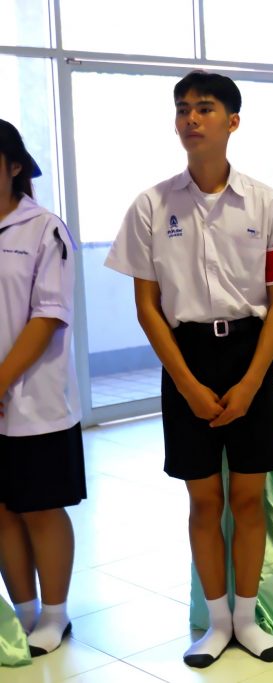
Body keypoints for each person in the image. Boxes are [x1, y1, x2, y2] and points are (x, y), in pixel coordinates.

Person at [105, 71, 273, 668]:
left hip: (250, 354)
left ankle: (247, 620)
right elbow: (147, 307)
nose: (190, 118)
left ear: (233, 121)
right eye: (182, 109)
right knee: (202, 501)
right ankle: (216, 624)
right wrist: (189, 385)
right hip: (186, 356)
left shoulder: (265, 202)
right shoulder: (151, 205)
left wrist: (251, 382)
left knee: (247, 499)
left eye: (205, 108)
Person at [0, 119, 84, 657]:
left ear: (13, 167)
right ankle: (24, 612)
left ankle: (55, 614)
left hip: (36, 401)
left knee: (40, 508)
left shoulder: (43, 229)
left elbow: (48, 315)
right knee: (2, 510)